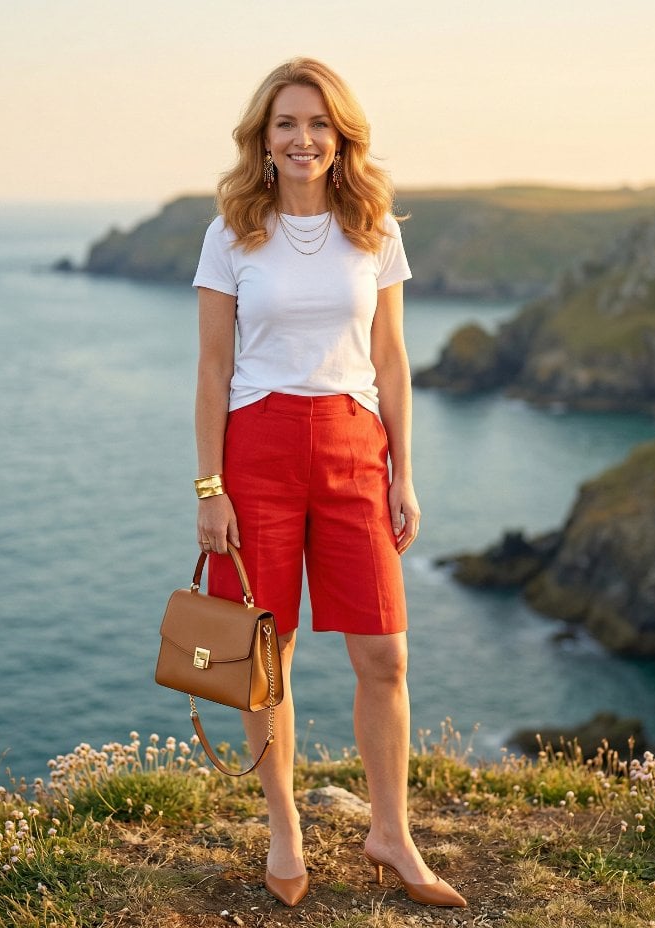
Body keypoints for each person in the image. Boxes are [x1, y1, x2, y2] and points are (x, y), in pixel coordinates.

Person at [191, 57, 466, 909]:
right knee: (264, 659)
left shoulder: (375, 228)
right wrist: (210, 490)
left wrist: (404, 475)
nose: (303, 138)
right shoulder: (231, 232)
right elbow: (210, 369)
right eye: (286, 124)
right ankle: (285, 828)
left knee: (385, 653)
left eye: (319, 124)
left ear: (341, 137)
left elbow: (391, 362)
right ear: (264, 140)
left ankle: (391, 831)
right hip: (257, 452)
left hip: (356, 451)